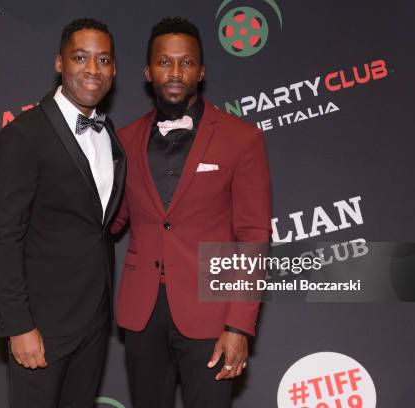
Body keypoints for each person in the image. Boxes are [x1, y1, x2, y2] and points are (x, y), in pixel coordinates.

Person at [111, 17, 271, 407]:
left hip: (211, 312)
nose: (176, 72)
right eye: (165, 63)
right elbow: (112, 219)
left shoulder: (241, 138)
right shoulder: (124, 140)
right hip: (142, 313)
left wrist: (238, 326)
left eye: (186, 62)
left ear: (201, 70)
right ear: (148, 72)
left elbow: (253, 237)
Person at [0, 18, 125, 408]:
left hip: (94, 321)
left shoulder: (108, 132)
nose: (92, 70)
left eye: (103, 60)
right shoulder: (24, 134)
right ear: (59, 63)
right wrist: (19, 326)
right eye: (80, 57)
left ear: (114, 70)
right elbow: (4, 236)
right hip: (42, 325)